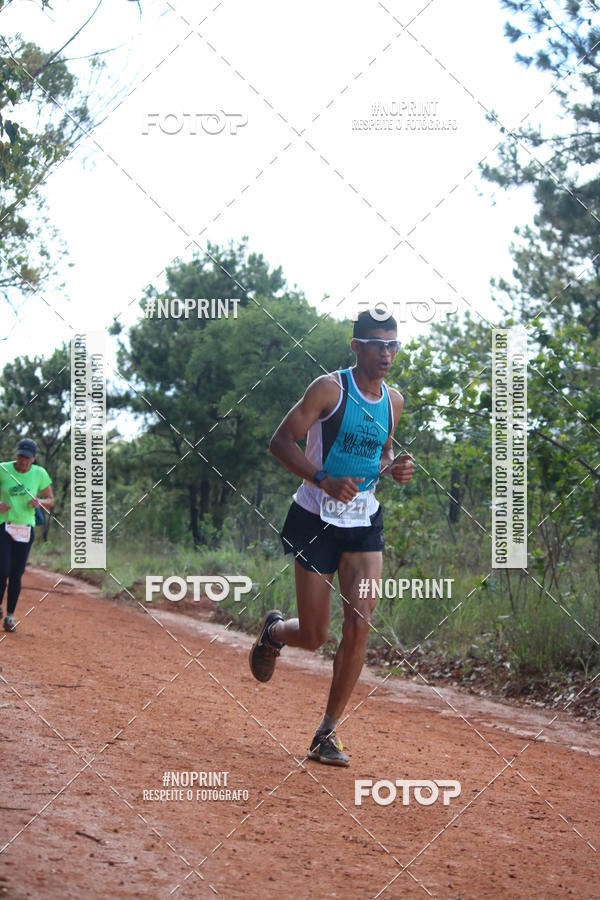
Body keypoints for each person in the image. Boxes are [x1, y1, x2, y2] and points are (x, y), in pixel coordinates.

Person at [249, 310, 415, 766]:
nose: (386, 353)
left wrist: (394, 468)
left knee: (360, 622)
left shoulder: (393, 401)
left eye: (392, 345)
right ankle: (275, 631)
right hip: (315, 516)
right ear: (355, 345)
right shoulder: (329, 389)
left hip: (363, 523)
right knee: (316, 634)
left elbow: (381, 454)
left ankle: (327, 732)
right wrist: (323, 478)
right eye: (376, 344)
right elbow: (280, 442)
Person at [0, 438, 54, 632]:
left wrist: (40, 501)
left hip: (25, 529)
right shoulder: (3, 469)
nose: (23, 461)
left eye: (27, 458)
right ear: (16, 454)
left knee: (16, 574)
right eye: (21, 456)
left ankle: (10, 616)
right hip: (4, 526)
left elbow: (50, 499)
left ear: (34, 458)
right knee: (2, 568)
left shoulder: (40, 474)